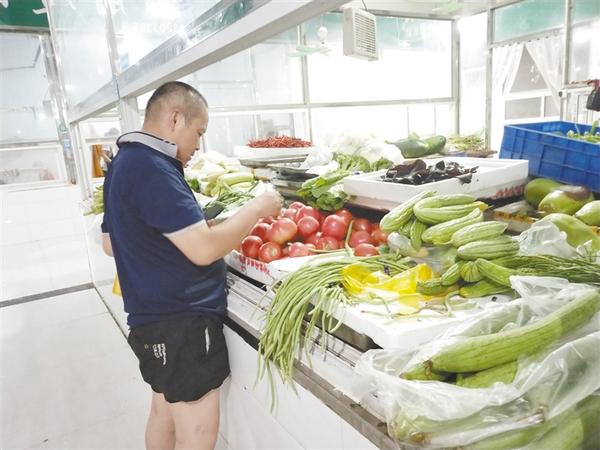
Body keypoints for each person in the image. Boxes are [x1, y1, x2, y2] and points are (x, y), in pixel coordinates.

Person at [101, 81, 282, 450]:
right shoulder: (152, 168)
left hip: (150, 320)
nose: (198, 144)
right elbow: (204, 251)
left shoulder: (124, 160)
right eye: (198, 132)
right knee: (197, 433)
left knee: (163, 413)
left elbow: (109, 242)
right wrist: (258, 208)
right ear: (175, 118)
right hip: (181, 323)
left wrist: (182, 232)